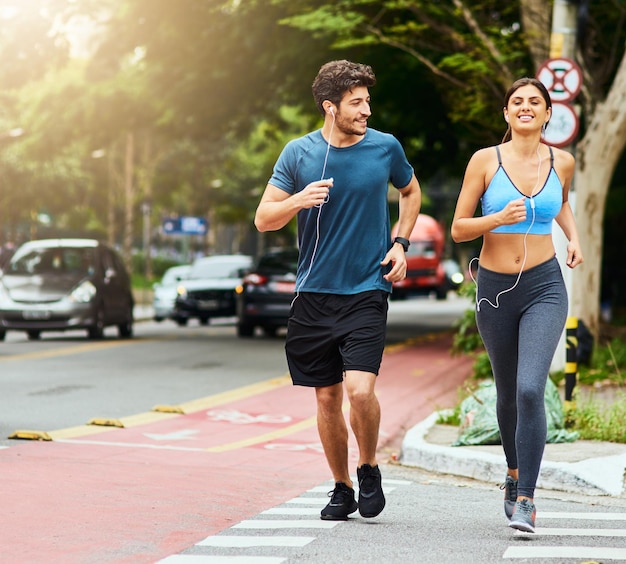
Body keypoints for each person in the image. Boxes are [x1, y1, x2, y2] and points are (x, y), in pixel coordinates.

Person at [254, 60, 421, 521]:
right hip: (313, 293)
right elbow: (263, 218)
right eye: (356, 102)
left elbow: (410, 192)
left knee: (359, 391)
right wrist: (297, 200)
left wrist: (401, 244)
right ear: (330, 107)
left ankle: (368, 467)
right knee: (326, 397)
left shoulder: (385, 147)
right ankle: (341, 486)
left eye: (368, 100)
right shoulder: (298, 154)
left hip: (368, 287)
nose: (367, 109)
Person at [451, 77, 583, 533]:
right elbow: (459, 228)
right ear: (507, 114)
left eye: (535, 102)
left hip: (545, 285)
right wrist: (497, 218)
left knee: (530, 389)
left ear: (548, 114)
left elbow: (559, 202)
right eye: (517, 102)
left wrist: (574, 237)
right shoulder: (485, 161)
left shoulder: (561, 161)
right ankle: (511, 472)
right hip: (494, 289)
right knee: (507, 394)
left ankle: (526, 496)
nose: (525, 107)